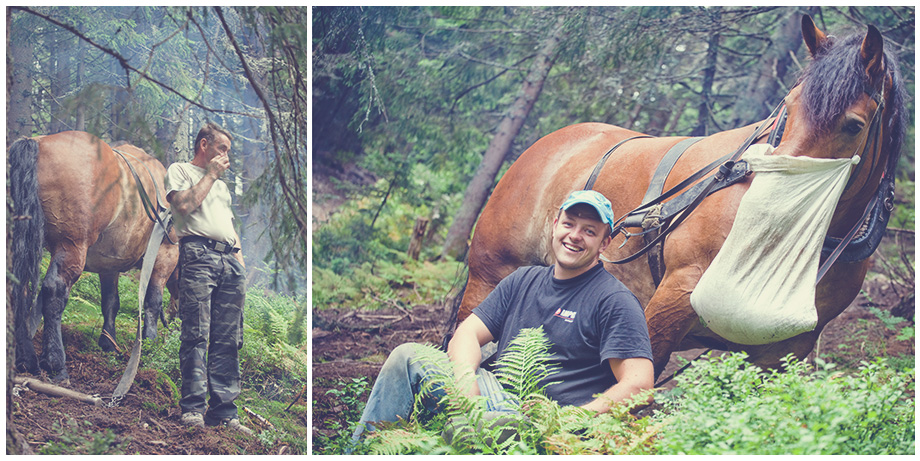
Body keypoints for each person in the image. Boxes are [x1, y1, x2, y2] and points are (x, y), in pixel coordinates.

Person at [351, 189, 654, 444]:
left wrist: (574, 418)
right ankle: (365, 450)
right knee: (407, 356)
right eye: (569, 224)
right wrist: (466, 381)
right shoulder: (523, 280)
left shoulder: (614, 301)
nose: (574, 236)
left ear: (604, 243)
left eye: (589, 231)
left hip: (549, 419)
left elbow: (640, 384)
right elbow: (467, 334)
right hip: (495, 394)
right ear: (554, 225)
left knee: (487, 426)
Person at [165, 122, 251, 435]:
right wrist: (210, 175)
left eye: (228, 151)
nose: (226, 157)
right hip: (198, 257)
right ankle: (192, 410)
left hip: (230, 260)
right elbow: (184, 206)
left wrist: (240, 266)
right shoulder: (180, 171)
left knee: (227, 340)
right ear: (204, 145)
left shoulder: (224, 188)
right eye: (222, 149)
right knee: (196, 334)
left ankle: (225, 413)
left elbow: (228, 226)